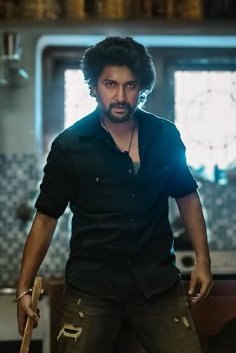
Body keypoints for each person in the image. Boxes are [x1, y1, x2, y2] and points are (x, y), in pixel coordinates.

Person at [16, 36, 213, 353]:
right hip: (92, 290)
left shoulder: (165, 135)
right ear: (93, 86)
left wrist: (203, 260)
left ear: (142, 89)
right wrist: (23, 288)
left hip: (158, 285)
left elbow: (187, 197)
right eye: (110, 84)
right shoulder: (70, 146)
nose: (120, 96)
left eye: (131, 86)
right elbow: (45, 219)